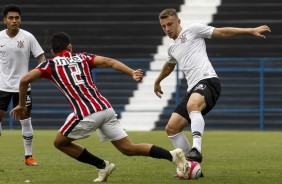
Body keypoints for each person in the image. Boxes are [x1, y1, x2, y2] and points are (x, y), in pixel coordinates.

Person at [11, 32, 190, 182]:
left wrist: (21, 105)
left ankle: (103, 165)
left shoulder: (49, 65)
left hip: (86, 113)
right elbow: (110, 61)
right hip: (105, 109)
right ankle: (172, 155)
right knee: (128, 148)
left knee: (59, 143)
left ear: (52, 51)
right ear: (70, 47)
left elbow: (24, 79)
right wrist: (131, 72)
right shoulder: (83, 57)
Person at [154, 8, 271, 163]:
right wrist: (157, 80)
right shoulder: (171, 48)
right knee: (172, 128)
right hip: (193, 89)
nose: (167, 29)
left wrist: (250, 30)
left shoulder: (193, 30)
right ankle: (191, 166)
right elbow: (169, 65)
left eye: (170, 24)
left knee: (192, 105)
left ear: (178, 21)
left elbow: (221, 32)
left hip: (208, 81)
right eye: (164, 26)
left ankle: (196, 149)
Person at [0, 4, 45, 165]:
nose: (14, 21)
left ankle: (28, 157)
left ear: (20, 19)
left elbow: (41, 58)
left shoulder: (28, 37)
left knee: (26, 121)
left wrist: (37, 73)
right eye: (11, 18)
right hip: (1, 87)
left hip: (22, 87)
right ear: (5, 20)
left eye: (17, 18)